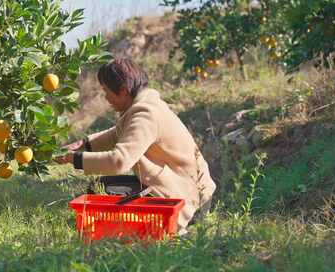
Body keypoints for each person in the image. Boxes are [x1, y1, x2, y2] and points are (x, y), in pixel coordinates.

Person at [55, 58, 217, 234]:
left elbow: (118, 162)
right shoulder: (145, 107)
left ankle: (173, 229)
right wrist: (83, 145)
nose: (106, 98)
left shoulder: (145, 115)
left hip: (188, 198)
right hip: (185, 188)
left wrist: (74, 159)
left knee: (101, 191)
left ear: (123, 91)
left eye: (106, 92)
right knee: (101, 187)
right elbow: (117, 134)